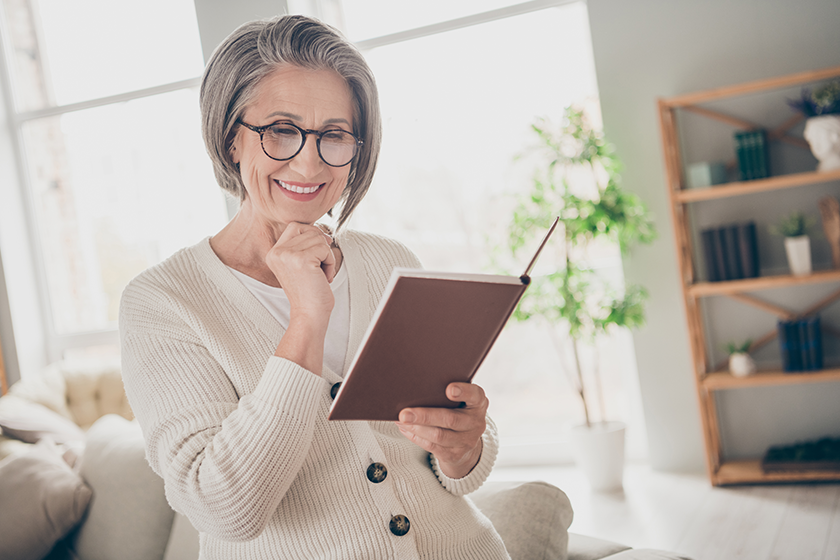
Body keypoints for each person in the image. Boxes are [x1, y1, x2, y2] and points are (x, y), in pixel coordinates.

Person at [119, 14, 510, 560]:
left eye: (334, 134)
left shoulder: (389, 260)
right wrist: (306, 318)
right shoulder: (163, 303)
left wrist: (464, 447)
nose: (309, 160)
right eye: (281, 130)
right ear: (232, 139)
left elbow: (457, 464)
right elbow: (223, 508)